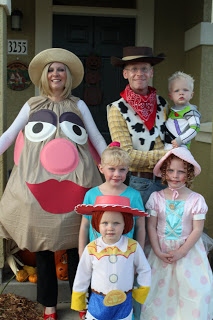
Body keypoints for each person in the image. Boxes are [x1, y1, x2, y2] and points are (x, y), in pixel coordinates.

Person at [0, 48, 107, 320]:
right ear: (44, 77)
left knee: (76, 246)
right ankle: (48, 305)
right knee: (43, 246)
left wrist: (112, 165)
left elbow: (95, 138)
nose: (55, 74)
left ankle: (79, 302)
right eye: (50, 70)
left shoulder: (78, 105)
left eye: (60, 69)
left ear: (67, 76)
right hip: (38, 183)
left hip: (77, 183)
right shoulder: (32, 105)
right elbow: (10, 135)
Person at [141, 147, 213, 320]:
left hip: (188, 252)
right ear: (164, 172)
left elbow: (197, 229)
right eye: (171, 170)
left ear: (188, 175)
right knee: (159, 291)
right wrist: (157, 251)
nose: (175, 175)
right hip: (161, 250)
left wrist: (182, 251)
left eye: (181, 172)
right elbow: (151, 226)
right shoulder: (156, 198)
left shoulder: (196, 200)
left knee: (194, 291)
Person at [72, 195, 151, 320]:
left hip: (124, 301)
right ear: (97, 223)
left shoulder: (132, 246)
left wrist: (142, 289)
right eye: (105, 223)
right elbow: (82, 274)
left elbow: (144, 268)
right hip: (98, 302)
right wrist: (79, 298)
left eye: (116, 223)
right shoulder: (92, 248)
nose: (110, 227)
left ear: (126, 223)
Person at [107, 46, 168, 206]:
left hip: (169, 180)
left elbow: (172, 137)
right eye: (134, 69)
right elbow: (126, 155)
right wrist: (167, 155)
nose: (139, 73)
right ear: (125, 73)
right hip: (142, 183)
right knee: (139, 229)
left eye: (144, 68)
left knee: (166, 230)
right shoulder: (117, 109)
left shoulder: (162, 103)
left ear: (151, 73)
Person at [78, 142, 146, 260]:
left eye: (122, 170)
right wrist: (81, 252)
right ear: (101, 168)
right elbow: (84, 226)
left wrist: (139, 255)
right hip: (96, 256)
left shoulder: (134, 196)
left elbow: (140, 227)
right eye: (112, 169)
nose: (117, 174)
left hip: (124, 256)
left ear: (127, 170)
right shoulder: (91, 195)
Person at [165, 71, 201, 150]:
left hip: (180, 146)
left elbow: (195, 128)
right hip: (167, 145)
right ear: (170, 96)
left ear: (191, 94)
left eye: (185, 90)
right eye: (177, 91)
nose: (181, 93)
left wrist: (181, 140)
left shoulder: (190, 111)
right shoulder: (170, 110)